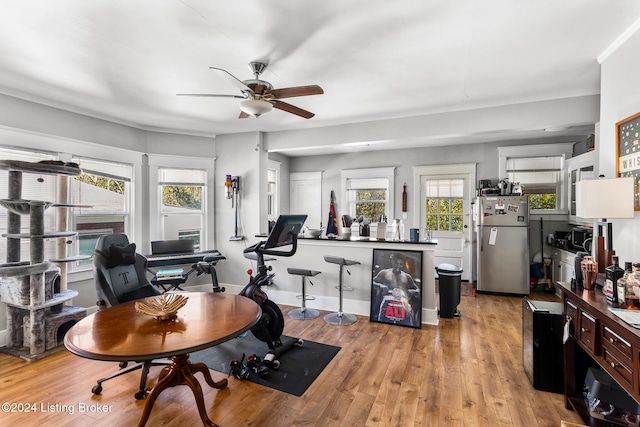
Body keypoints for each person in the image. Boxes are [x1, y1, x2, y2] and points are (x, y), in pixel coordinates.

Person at [372, 254, 420, 326]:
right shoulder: (384, 273)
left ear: (403, 265)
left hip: (402, 303)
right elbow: (372, 282)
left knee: (408, 324)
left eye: (400, 264)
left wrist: (410, 292)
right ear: (392, 262)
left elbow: (418, 290)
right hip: (387, 302)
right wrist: (380, 286)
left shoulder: (407, 277)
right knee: (381, 324)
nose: (398, 266)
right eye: (396, 263)